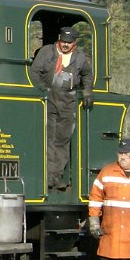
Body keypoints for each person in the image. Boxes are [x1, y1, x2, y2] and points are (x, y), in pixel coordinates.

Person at [30, 26, 93, 190]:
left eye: (69, 42)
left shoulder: (80, 57)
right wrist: (41, 89)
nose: (65, 44)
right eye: (63, 41)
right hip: (48, 98)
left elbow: (87, 74)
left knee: (63, 139)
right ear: (59, 39)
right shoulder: (46, 52)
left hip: (67, 100)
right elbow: (34, 72)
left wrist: (87, 91)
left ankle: (56, 176)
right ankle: (46, 176)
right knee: (49, 137)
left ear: (74, 42)